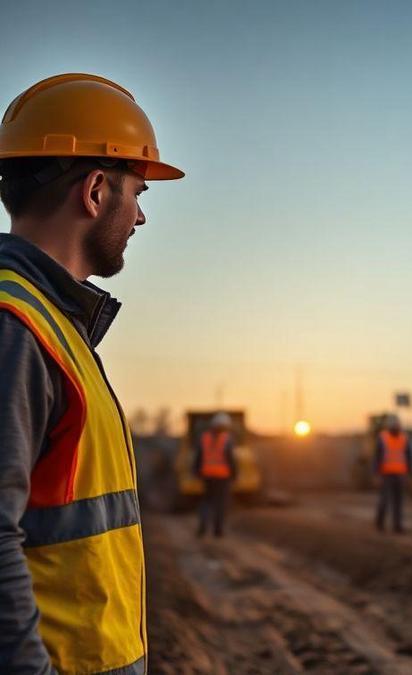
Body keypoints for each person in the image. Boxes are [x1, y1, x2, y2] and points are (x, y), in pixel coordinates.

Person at [0, 74, 183, 674]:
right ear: (97, 191)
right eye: (138, 193)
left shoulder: (49, 323)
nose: (140, 217)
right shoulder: (16, 327)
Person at [195, 411, 238, 538]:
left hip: (207, 476)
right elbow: (231, 459)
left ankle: (202, 528)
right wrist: (234, 474)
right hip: (223, 477)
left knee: (207, 502)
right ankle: (218, 530)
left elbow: (199, 457)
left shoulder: (204, 438)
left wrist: (197, 471)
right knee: (221, 503)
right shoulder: (226, 439)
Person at [374, 414, 412, 533]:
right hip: (386, 474)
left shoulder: (404, 438)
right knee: (384, 500)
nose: (395, 428)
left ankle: (397, 526)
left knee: (398, 502)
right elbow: (377, 457)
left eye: (396, 426)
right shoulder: (383, 438)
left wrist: (409, 473)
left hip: (400, 474)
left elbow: (409, 457)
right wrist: (377, 474)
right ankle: (380, 523)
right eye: (393, 426)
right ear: (389, 427)